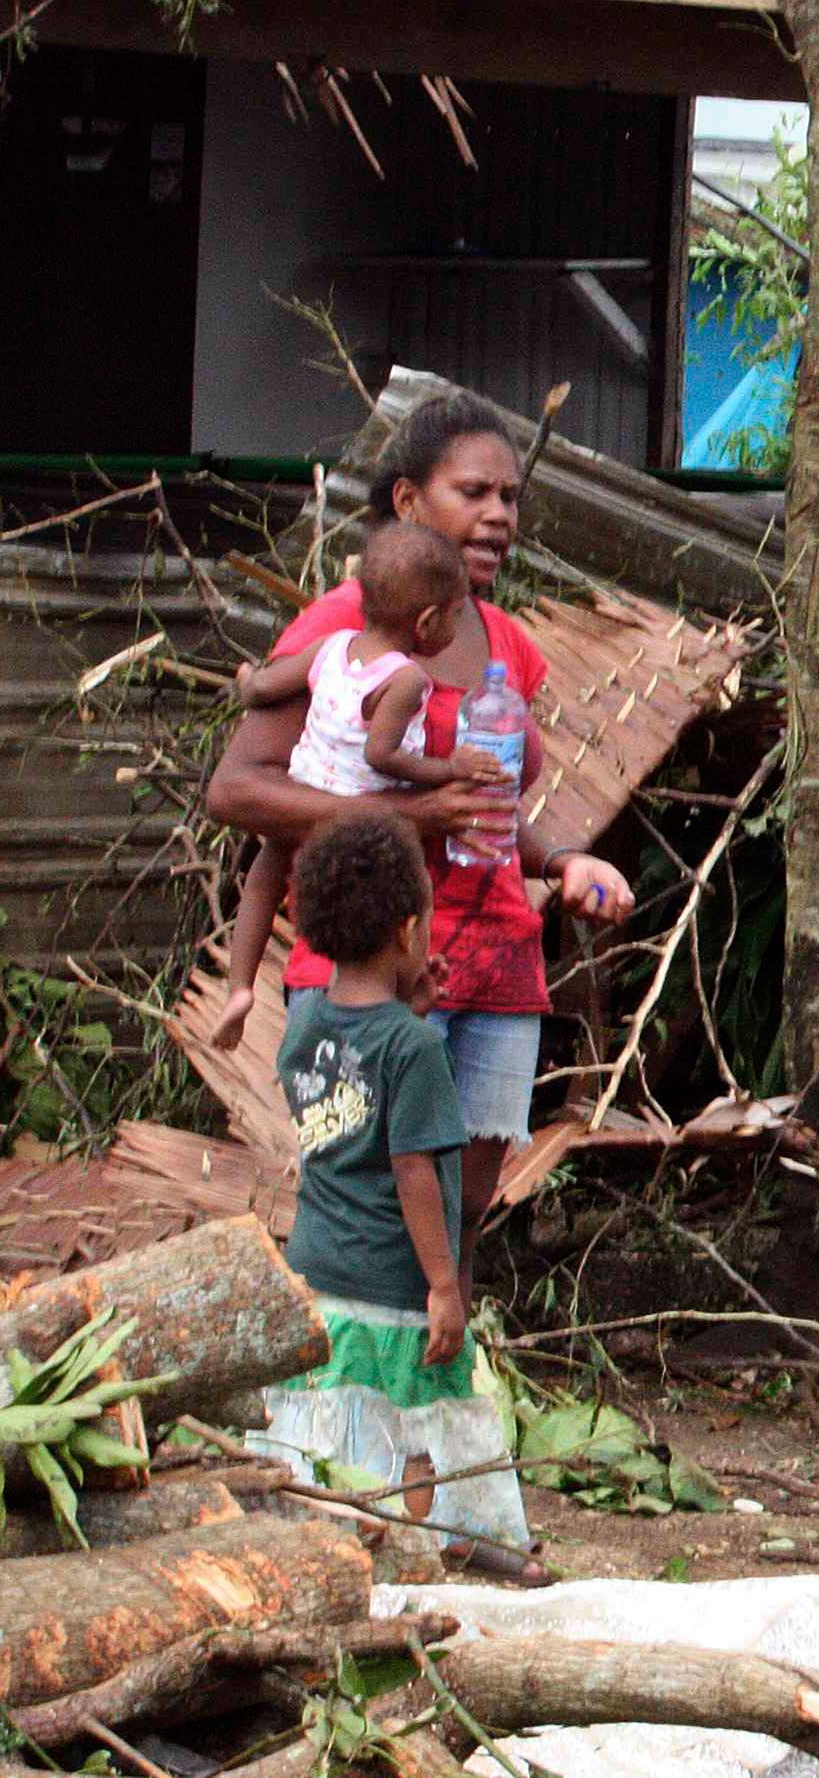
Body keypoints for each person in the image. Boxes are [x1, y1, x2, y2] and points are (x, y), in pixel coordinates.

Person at [207, 393, 634, 1302]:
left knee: (464, 1212)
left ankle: (440, 1401)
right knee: (372, 1200)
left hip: (496, 961)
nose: (498, 516)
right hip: (374, 963)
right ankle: (350, 1408)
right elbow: (238, 789)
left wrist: (560, 860)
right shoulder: (347, 629)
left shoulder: (507, 643)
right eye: (472, 490)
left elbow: (477, 805)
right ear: (406, 500)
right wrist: (409, 818)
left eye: (511, 497)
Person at [249, 812, 535, 1564]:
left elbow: (349, 1099)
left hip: (316, 1263)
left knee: (334, 1413)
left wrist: (406, 1008)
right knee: (415, 1421)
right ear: (409, 929)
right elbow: (412, 1170)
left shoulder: (304, 1019)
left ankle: (327, 1535)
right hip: (394, 1278)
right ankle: (434, 1543)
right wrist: (445, 1283)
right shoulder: (414, 1051)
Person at [213, 523, 509, 1050]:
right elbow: (382, 754)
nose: (458, 629)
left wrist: (245, 679)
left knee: (265, 876)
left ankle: (239, 987)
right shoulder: (406, 679)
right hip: (366, 805)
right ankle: (411, 987)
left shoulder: (330, 647)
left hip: (307, 785)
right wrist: (447, 769)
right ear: (426, 621)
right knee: (415, 888)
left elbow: (263, 688)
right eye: (456, 616)